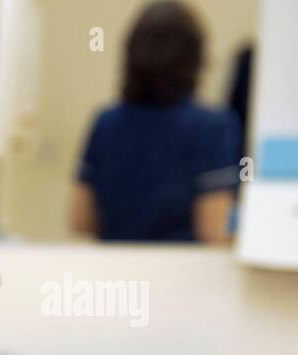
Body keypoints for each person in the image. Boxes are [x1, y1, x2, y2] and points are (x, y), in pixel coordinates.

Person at [71, 1, 240, 244]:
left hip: (114, 274)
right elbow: (214, 229)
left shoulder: (105, 123)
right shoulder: (212, 127)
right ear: (195, 60)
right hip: (184, 273)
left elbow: (81, 219)